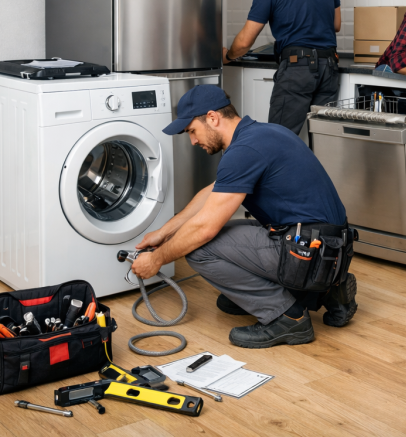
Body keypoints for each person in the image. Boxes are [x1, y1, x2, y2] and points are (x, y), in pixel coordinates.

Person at [130, 85, 357, 348]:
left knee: (199, 248)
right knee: (228, 294)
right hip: (333, 249)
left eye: (192, 131)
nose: (192, 141)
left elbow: (204, 229)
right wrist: (164, 232)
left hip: (307, 252)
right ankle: (328, 291)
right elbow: (214, 191)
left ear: (213, 118)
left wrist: (157, 259)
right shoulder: (263, 134)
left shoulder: (244, 151)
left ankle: (288, 318)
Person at [223, 0, 341, 135]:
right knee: (323, 140)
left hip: (298, 69)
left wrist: (227, 56)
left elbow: (244, 42)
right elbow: (336, 25)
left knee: (280, 138)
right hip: (329, 67)